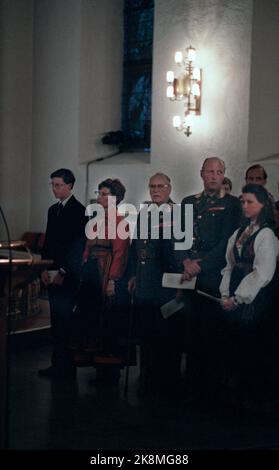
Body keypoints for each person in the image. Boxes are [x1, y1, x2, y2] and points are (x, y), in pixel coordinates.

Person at [178, 157, 241, 399]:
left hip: (213, 276)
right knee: (191, 332)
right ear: (201, 173)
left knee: (213, 334)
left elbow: (227, 243)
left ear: (224, 175)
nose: (214, 176)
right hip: (188, 274)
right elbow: (179, 237)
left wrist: (199, 266)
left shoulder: (233, 205)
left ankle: (213, 388)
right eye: (210, 171)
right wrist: (185, 261)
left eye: (219, 172)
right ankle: (192, 383)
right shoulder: (188, 202)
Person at [219, 184, 279, 407]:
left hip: (257, 299)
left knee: (252, 349)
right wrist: (225, 294)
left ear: (262, 205)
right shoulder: (240, 232)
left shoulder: (266, 235)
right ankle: (234, 398)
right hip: (235, 292)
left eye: (250, 202)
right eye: (243, 201)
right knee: (234, 347)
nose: (244, 205)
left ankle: (251, 401)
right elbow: (229, 266)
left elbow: (263, 273)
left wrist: (238, 298)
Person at [128, 173, 182, 395]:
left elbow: (182, 251)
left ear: (169, 188)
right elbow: (136, 246)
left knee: (167, 333)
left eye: (160, 186)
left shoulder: (179, 213)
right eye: (152, 186)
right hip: (145, 278)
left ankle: (168, 379)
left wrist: (180, 284)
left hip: (167, 281)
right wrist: (133, 275)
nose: (156, 190)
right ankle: (147, 375)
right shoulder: (144, 212)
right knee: (147, 330)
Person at [73, 178, 130, 385]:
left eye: (104, 194)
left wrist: (113, 280)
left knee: (107, 321)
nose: (100, 197)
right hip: (91, 274)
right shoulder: (96, 220)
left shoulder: (120, 221)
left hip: (105, 271)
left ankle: (109, 373)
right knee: (92, 320)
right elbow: (87, 249)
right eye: (99, 193)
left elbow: (120, 254)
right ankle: (97, 369)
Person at [39, 168, 87, 379]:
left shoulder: (79, 211)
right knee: (55, 322)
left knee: (66, 321)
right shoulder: (52, 210)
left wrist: (63, 271)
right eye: (52, 184)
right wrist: (42, 268)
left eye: (58, 185)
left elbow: (78, 246)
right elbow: (48, 243)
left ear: (69, 186)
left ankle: (67, 368)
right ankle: (57, 365)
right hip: (51, 271)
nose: (54, 188)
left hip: (67, 274)